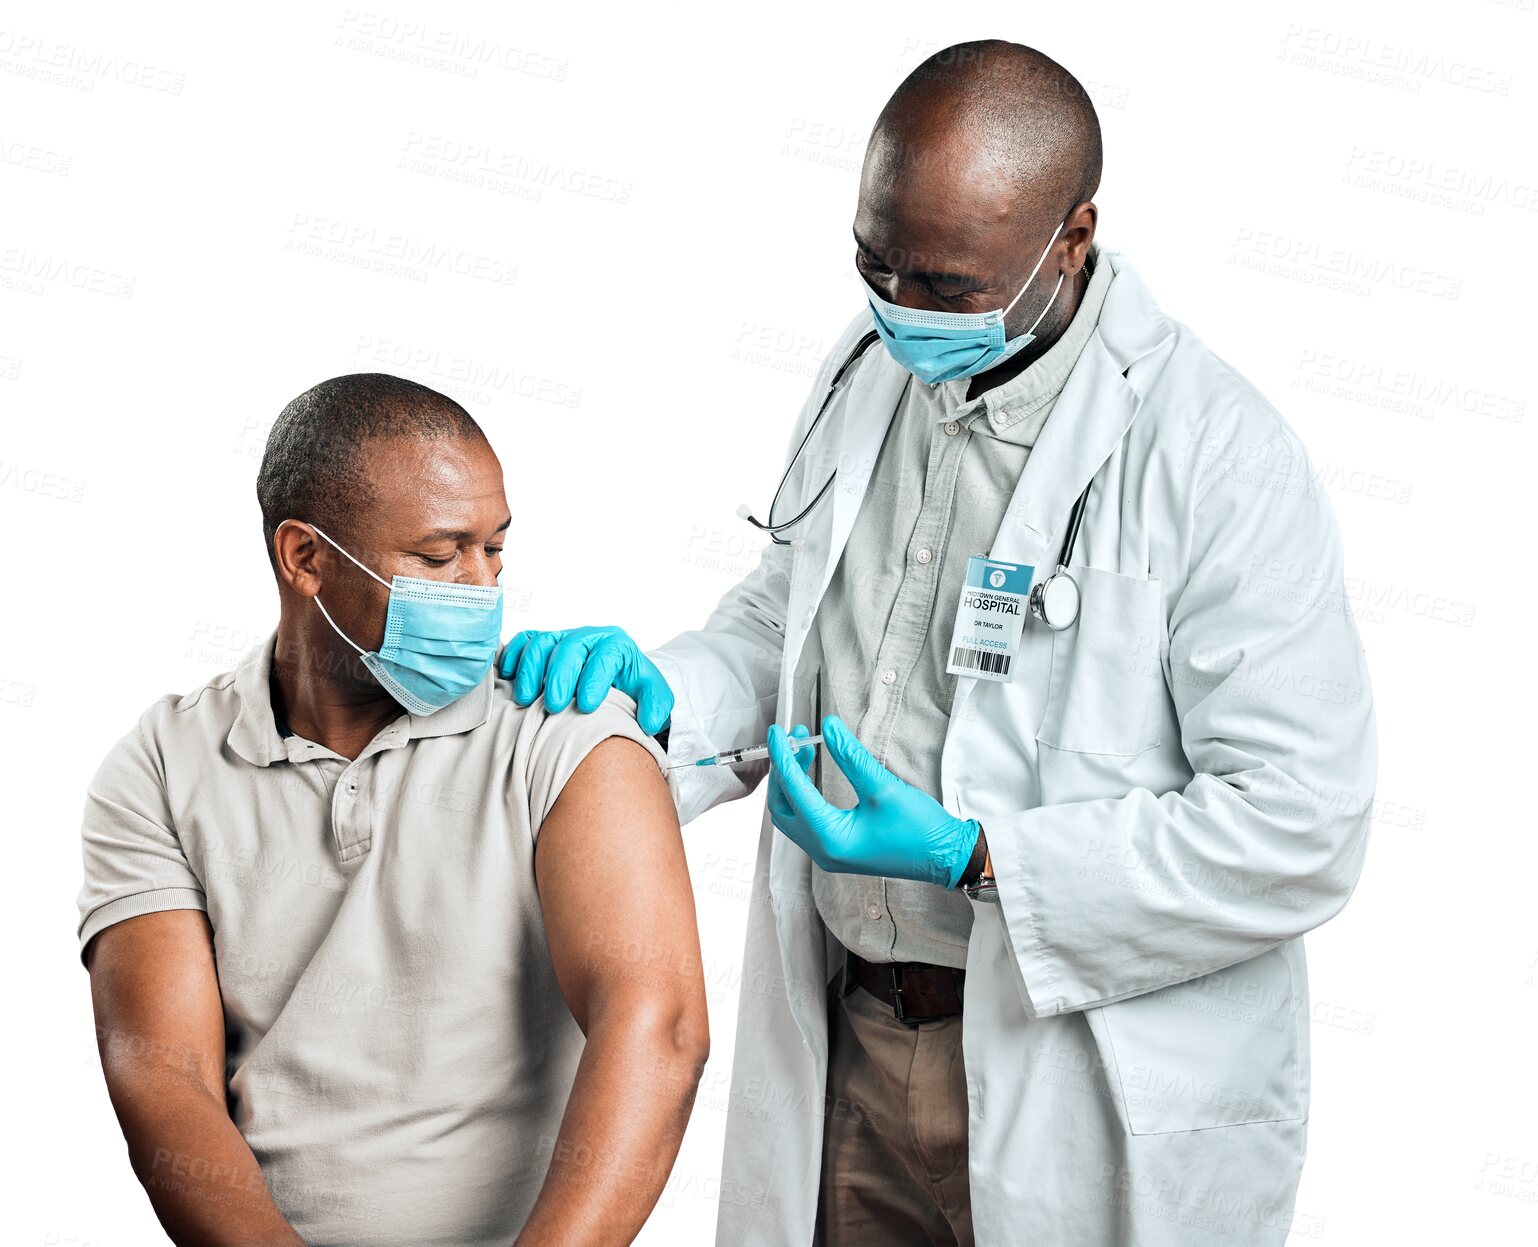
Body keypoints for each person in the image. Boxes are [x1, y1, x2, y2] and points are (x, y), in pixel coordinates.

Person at [501, 39, 1377, 1247]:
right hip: (854, 1045)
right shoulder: (866, 371)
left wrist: (979, 855)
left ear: (1070, 238)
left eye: (949, 286)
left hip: (1078, 1076)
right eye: (877, 265)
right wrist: (668, 696)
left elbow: (1302, 822)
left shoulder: (1215, 457)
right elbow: (787, 613)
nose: (903, 309)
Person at [76, 374, 708, 1247]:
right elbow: (161, 1072)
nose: (481, 589)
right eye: (440, 555)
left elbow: (656, 1024)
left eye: (495, 549)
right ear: (306, 557)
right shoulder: (163, 763)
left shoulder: (565, 735)